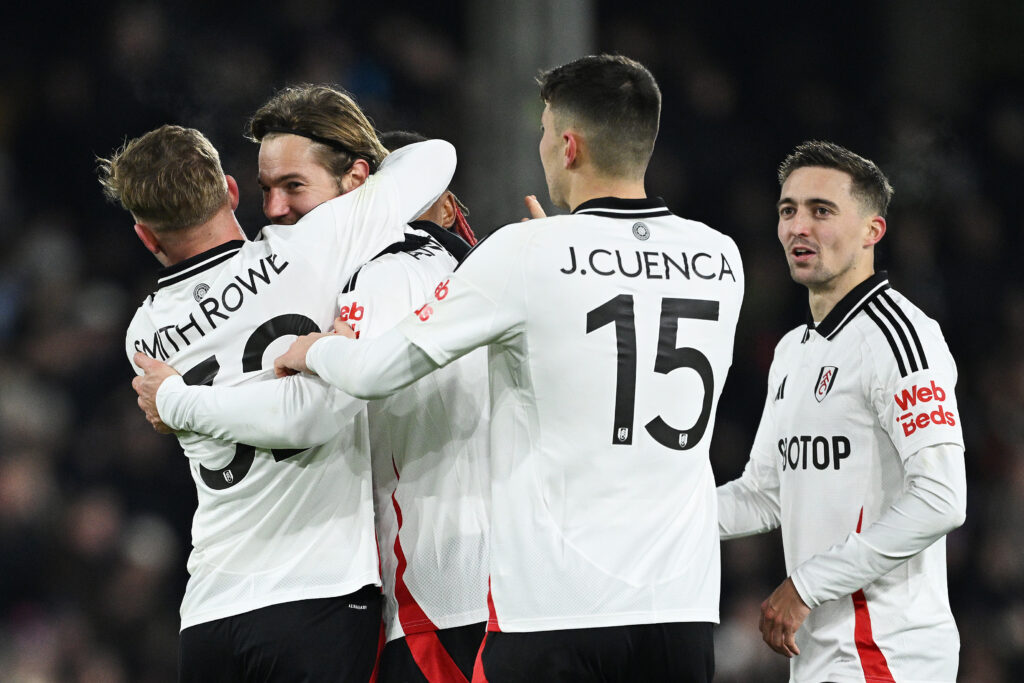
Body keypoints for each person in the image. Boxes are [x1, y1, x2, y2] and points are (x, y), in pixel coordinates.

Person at [274, 54, 745, 683]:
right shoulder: (721, 256)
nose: (543, 146)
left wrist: (312, 350)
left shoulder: (527, 252)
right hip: (682, 608)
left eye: (545, 132)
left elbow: (374, 371)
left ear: (569, 145)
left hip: (557, 607)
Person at [134, 117, 492, 683]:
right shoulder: (307, 259)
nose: (275, 208)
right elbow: (435, 154)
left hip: (215, 606)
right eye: (264, 189)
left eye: (292, 186)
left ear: (145, 236)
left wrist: (177, 402)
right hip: (326, 597)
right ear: (229, 190)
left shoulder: (142, 333)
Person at [716, 141, 966, 682]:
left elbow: (942, 498)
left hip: (887, 653)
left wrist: (806, 584)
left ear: (872, 231)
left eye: (821, 211)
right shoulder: (792, 352)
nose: (798, 227)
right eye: (788, 211)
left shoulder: (900, 338)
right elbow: (762, 495)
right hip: (819, 654)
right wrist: (648, 516)